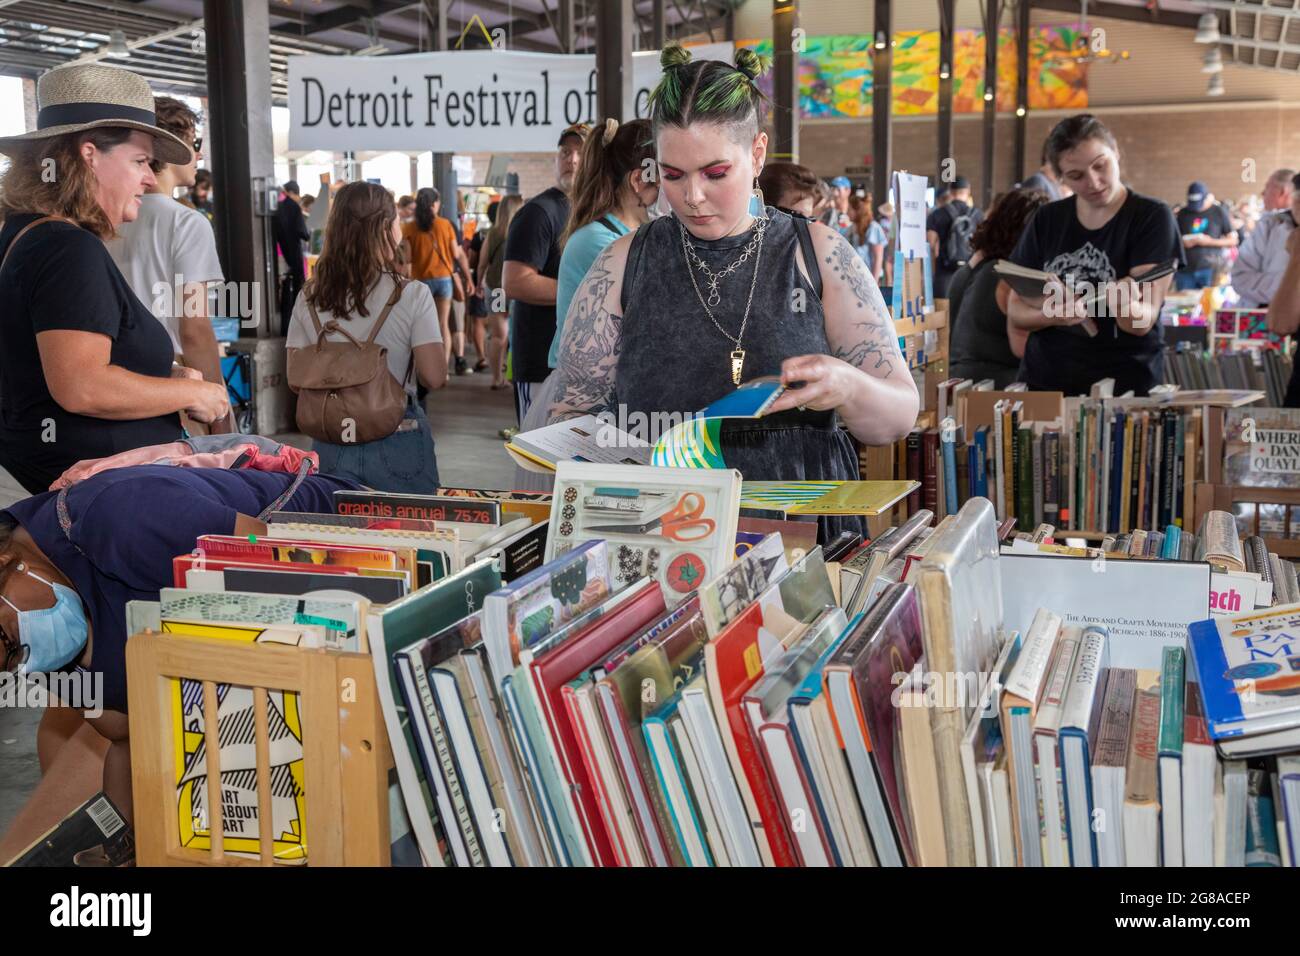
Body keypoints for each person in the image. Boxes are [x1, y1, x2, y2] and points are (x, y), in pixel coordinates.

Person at [549, 46, 917, 541]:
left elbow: (895, 419)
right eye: (672, 174)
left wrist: (849, 386)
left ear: (758, 154)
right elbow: (570, 418)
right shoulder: (620, 264)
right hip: (663, 533)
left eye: (715, 173)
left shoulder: (819, 255)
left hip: (800, 540)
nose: (692, 196)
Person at [0, 464, 360, 858]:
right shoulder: (44, 646)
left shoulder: (119, 516)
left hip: (347, 566)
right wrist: (121, 847)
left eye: (10, 642)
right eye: (10, 666)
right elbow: (122, 731)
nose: (26, 662)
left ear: (4, 561)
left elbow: (273, 559)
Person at [0, 63, 230, 496]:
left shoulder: (24, 233)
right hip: (88, 503)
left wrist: (167, 380)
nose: (149, 177)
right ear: (90, 154)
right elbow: (82, 386)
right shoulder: (66, 247)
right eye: (140, 160)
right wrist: (192, 396)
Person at [1004, 114, 1183, 397]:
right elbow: (1015, 311)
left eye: (1101, 166)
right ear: (1059, 177)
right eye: (1076, 176)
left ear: (1116, 153)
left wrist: (1125, 306)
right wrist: (1053, 315)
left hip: (1122, 388)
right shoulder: (1047, 219)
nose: (1094, 181)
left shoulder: (1151, 217)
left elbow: (1141, 323)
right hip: (1047, 382)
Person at [286, 182, 447, 491]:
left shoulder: (308, 296)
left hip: (330, 441)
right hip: (398, 437)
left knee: (340, 537)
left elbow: (295, 378)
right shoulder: (412, 294)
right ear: (386, 228)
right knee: (411, 535)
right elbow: (434, 376)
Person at [107, 96, 232, 435]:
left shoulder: (104, 217)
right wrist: (221, 417)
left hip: (117, 389)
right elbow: (195, 330)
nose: (200, 154)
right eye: (195, 143)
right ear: (170, 147)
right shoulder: (186, 223)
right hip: (175, 391)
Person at [503, 123, 588, 421]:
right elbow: (515, 282)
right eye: (565, 152)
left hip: (575, 365)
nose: (572, 159)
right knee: (536, 460)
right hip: (540, 364)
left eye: (581, 153)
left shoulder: (586, 211)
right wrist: (588, 294)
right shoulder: (540, 212)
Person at [950, 188, 1051, 388]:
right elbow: (1023, 348)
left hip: (959, 382)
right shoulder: (1012, 278)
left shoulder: (971, 270)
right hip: (996, 389)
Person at [402, 187, 475, 376]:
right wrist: (469, 279)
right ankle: (443, 371)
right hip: (443, 280)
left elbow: (407, 259)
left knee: (422, 326)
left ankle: (424, 370)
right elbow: (457, 254)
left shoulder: (409, 227)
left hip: (420, 282)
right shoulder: (445, 225)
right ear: (434, 204)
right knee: (443, 325)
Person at [1233, 171, 1300, 308]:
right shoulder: (1271, 225)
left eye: (1267, 188)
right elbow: (1240, 278)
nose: (1263, 194)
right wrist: (1290, 287)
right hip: (1269, 316)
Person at [478, 194, 521, 390]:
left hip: (496, 288)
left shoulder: (493, 233)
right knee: (506, 335)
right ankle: (501, 377)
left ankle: (497, 377)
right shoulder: (521, 232)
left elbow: (482, 263)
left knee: (499, 335)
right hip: (513, 290)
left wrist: (478, 283)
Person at [1175, 181, 1237, 291]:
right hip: (1185, 270)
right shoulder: (1183, 213)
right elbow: (1174, 238)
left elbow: (1233, 240)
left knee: (1210, 303)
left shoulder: (1218, 212)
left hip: (1210, 269)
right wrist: (1182, 243)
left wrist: (1209, 242)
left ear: (1207, 197)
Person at [927, 175, 982, 299]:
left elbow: (930, 245)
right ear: (968, 191)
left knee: (943, 312)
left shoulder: (937, 214)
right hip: (970, 271)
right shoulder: (978, 215)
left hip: (944, 273)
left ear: (950, 192)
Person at [272, 180, 311, 336]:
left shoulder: (272, 205)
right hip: (291, 257)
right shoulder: (292, 207)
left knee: (281, 293)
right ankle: (289, 329)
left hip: (274, 257)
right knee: (292, 293)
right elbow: (304, 234)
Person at [844, 191, 887, 284]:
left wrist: (874, 284)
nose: (847, 212)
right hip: (854, 279)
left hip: (869, 281)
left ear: (858, 210)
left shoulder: (873, 228)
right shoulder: (851, 229)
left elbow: (878, 258)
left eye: (849, 209)